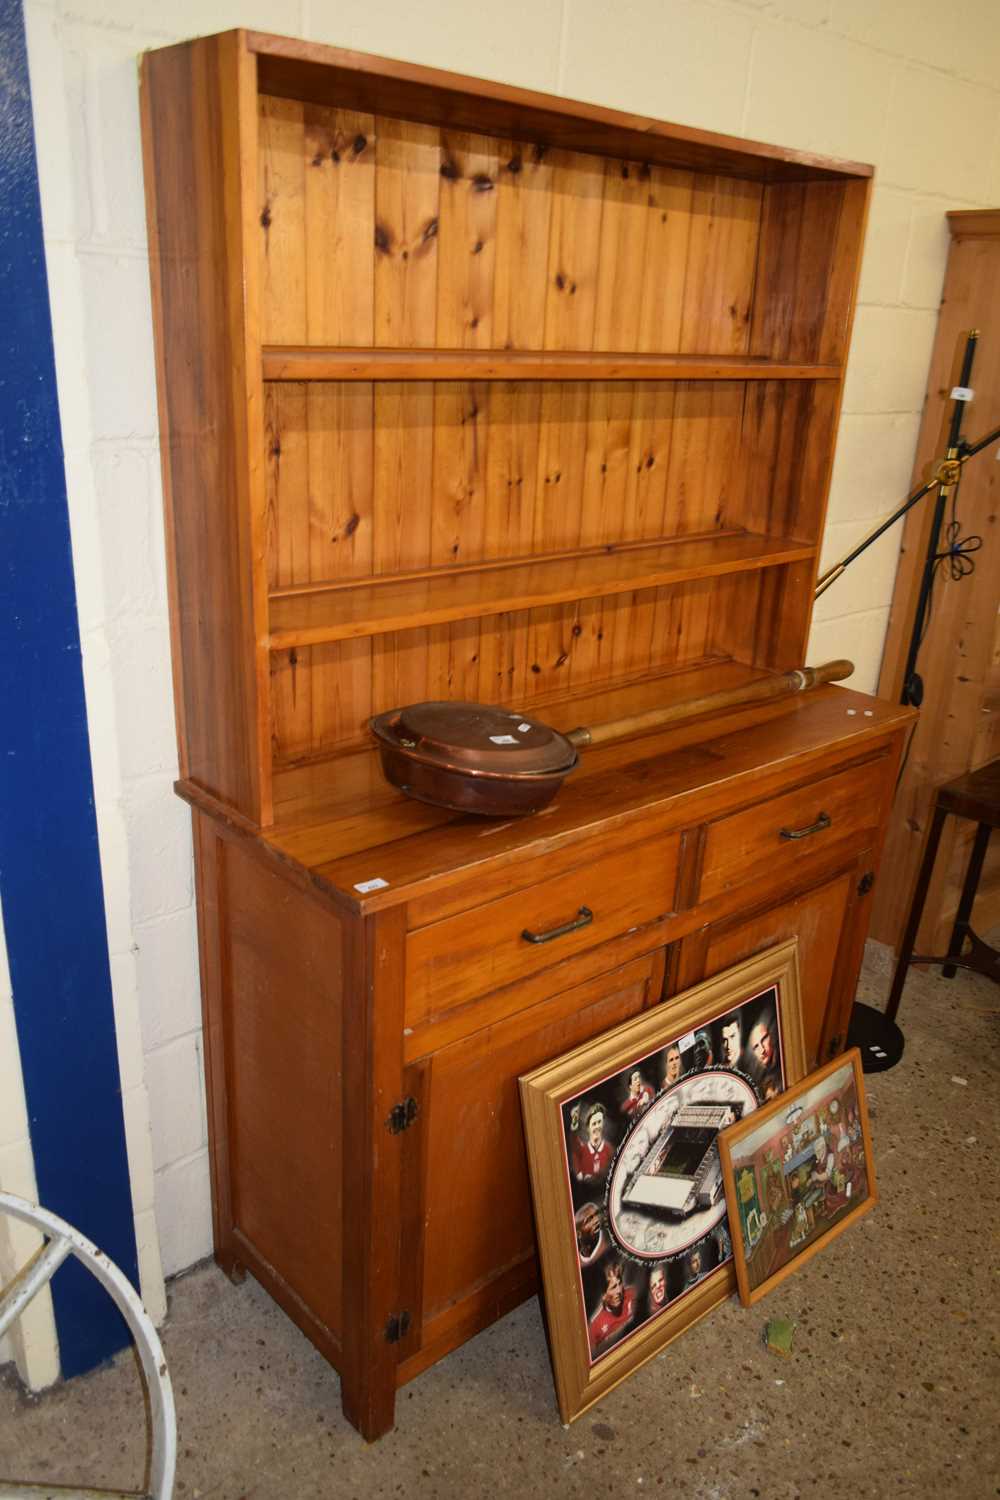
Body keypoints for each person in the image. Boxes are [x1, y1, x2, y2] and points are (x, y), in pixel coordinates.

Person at [589, 1259, 636, 1355]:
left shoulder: (632, 1294)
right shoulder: (595, 1327)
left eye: (620, 1283)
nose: (619, 1290)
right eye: (613, 1287)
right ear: (603, 1295)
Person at [572, 1104, 613, 1182]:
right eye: (594, 1124)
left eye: (599, 1122)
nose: (597, 1126)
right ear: (588, 1128)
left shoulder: (609, 1150)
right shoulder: (582, 1152)